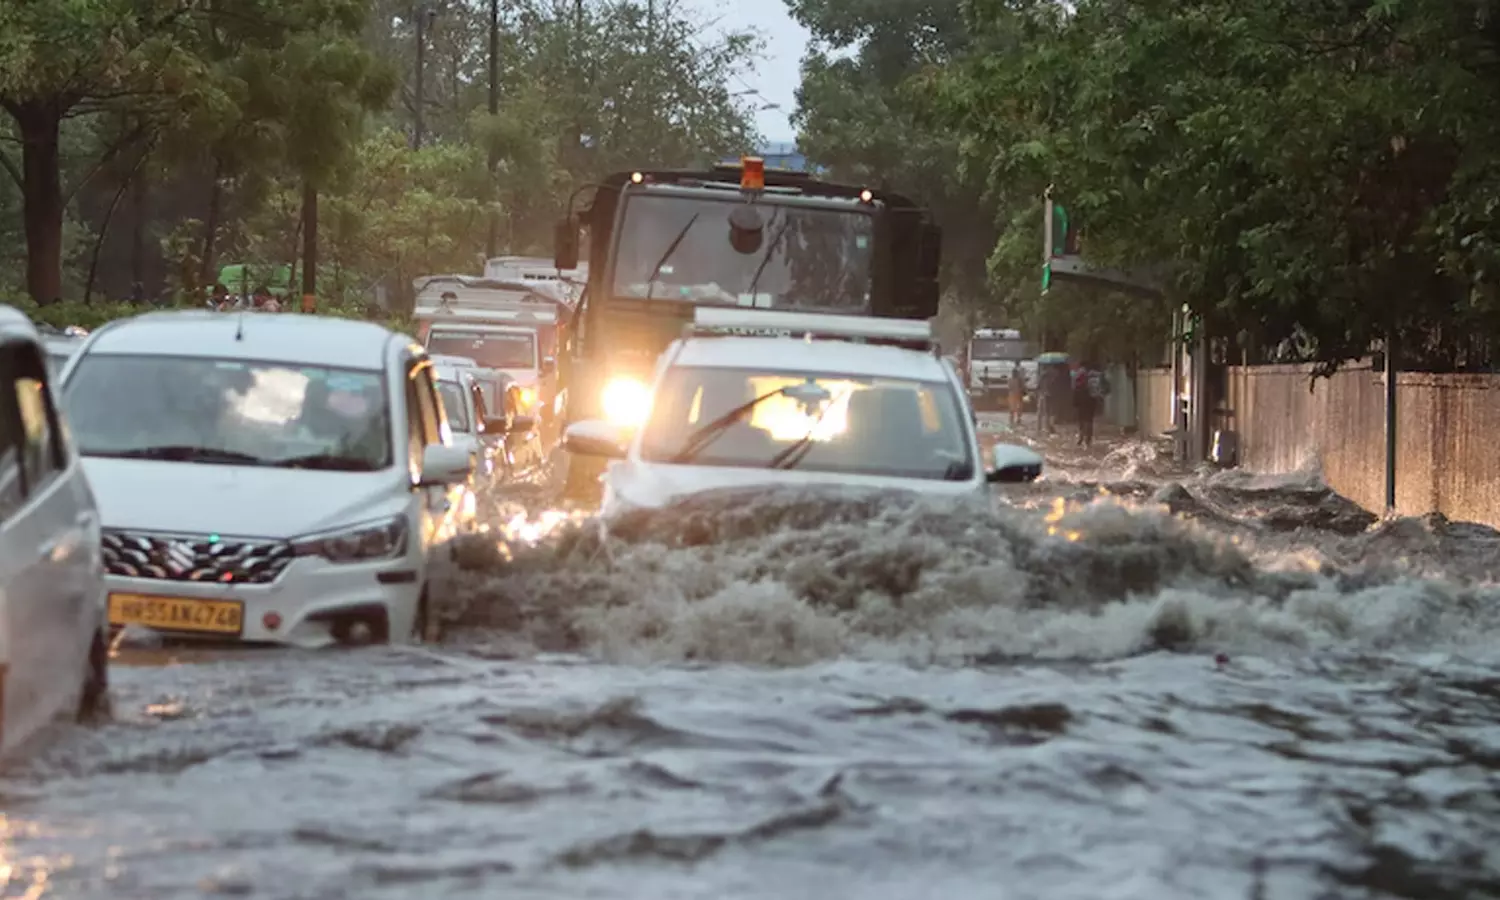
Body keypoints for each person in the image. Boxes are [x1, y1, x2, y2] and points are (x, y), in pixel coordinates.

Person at [1073, 359, 1109, 447]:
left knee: (1081, 418)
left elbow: (1075, 387)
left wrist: (1074, 401)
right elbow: (1107, 387)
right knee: (1089, 419)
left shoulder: (1080, 373)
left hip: (1082, 398)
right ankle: (1088, 440)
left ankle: (1081, 437)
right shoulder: (1098, 375)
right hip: (1092, 399)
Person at [1008, 361, 1025, 428]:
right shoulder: (1020, 379)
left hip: (1012, 394)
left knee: (1012, 407)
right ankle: (1018, 419)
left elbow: (1009, 387)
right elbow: (1023, 387)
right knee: (1019, 407)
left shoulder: (1010, 379)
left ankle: (1012, 419)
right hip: (1018, 394)